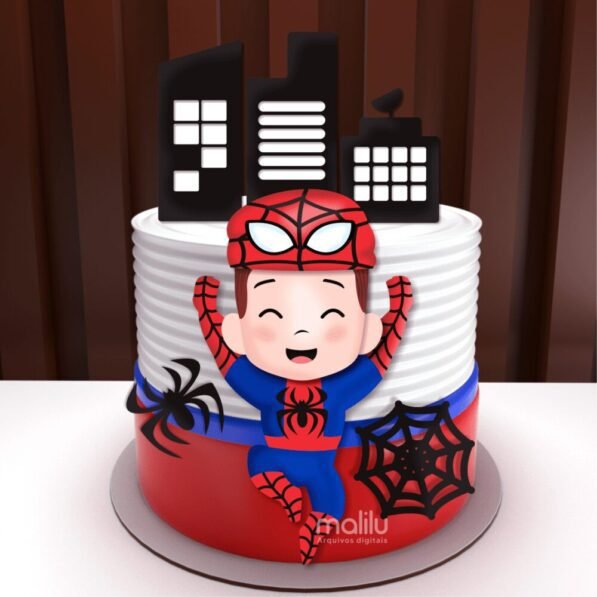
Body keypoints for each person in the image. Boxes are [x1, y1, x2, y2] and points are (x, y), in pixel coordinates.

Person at [193, 188, 413, 564]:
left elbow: (381, 355)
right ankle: (281, 490)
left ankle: (311, 529)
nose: (300, 335)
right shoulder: (281, 388)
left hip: (322, 469)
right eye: (271, 315)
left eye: (331, 316)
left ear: (367, 329)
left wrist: (400, 309)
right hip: (274, 459)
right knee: (260, 464)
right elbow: (224, 354)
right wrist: (204, 308)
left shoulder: (326, 388)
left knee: (330, 501)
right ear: (237, 329)